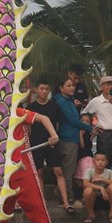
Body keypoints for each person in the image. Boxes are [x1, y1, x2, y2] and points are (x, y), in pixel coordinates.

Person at [26, 80, 72, 213]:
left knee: (58, 171)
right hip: (36, 143)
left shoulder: (54, 106)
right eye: (42, 89)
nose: (44, 92)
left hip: (52, 143)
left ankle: (66, 202)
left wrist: (54, 137)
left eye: (47, 89)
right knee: (39, 172)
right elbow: (28, 128)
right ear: (36, 90)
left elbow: (56, 124)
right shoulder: (31, 107)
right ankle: (42, 202)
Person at [54, 78, 95, 207]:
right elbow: (73, 121)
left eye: (73, 86)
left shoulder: (69, 101)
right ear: (61, 88)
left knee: (68, 170)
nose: (72, 88)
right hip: (68, 139)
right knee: (68, 172)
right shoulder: (62, 102)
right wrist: (91, 128)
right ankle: (69, 199)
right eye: (68, 85)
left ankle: (62, 197)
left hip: (72, 138)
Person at [83, 76, 112, 159]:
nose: (110, 87)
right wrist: (93, 127)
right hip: (105, 135)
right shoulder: (96, 101)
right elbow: (84, 115)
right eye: (108, 84)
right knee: (105, 160)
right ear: (102, 87)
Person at [81, 151, 112, 223]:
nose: (100, 162)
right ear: (94, 161)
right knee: (88, 190)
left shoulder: (109, 172)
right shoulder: (89, 171)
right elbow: (85, 183)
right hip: (93, 197)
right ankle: (91, 215)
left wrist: (103, 179)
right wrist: (101, 188)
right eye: (98, 160)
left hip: (106, 198)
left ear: (107, 162)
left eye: (103, 160)